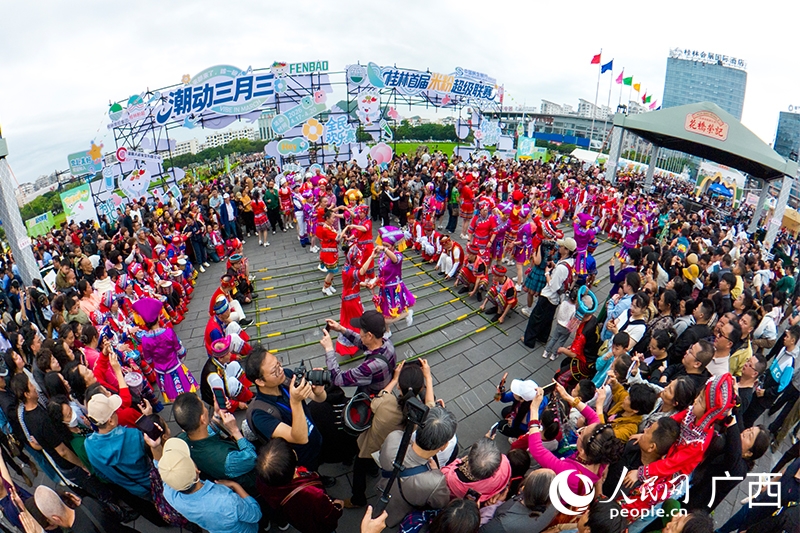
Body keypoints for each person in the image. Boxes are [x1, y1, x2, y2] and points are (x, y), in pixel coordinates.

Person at [243, 347, 327, 472]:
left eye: (278, 363)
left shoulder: (287, 376)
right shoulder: (260, 414)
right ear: (260, 381)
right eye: (274, 371)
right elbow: (300, 438)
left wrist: (319, 392)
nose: (281, 370)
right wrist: (295, 401)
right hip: (301, 457)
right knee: (312, 474)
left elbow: (319, 399)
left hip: (314, 436)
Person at [153, 437, 262, 533]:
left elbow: (160, 467)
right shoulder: (226, 501)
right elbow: (255, 514)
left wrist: (154, 446)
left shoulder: (169, 494)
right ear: (196, 471)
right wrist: (235, 485)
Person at [376, 406, 457, 527]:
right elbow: (440, 503)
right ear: (444, 446)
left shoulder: (394, 437)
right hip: (400, 511)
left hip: (383, 488)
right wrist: (435, 471)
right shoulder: (436, 482)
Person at [172, 392, 258, 493]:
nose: (205, 409)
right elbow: (252, 458)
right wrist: (235, 431)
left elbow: (207, 430)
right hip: (251, 485)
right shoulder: (227, 459)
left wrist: (217, 414)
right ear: (202, 419)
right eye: (203, 406)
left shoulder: (181, 442)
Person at [256, 437, 343, 533]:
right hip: (318, 526)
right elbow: (329, 514)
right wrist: (337, 505)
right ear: (295, 456)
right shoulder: (312, 492)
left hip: (296, 519)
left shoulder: (264, 480)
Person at [132, 298, 197, 403]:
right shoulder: (168, 333)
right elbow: (181, 351)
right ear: (158, 317)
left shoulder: (145, 340)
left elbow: (148, 360)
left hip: (161, 373)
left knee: (176, 401)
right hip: (176, 368)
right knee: (189, 396)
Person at [322, 311, 397, 396]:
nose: (359, 332)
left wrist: (329, 349)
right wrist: (341, 329)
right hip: (383, 383)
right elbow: (361, 342)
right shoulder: (387, 343)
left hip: (373, 397)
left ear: (369, 335)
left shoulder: (370, 366)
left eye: (360, 329)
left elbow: (337, 378)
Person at [522, 237, 576, 349]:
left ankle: (529, 340)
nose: (559, 248)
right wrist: (554, 266)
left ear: (566, 250)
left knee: (536, 317)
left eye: (561, 247)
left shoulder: (562, 267)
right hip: (556, 299)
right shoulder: (569, 262)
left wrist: (547, 273)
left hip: (549, 296)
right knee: (547, 318)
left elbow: (553, 286)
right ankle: (543, 337)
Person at [479, 469, 556, 533]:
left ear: (524, 488)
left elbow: (481, 531)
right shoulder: (554, 503)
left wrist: (491, 507)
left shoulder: (506, 523)